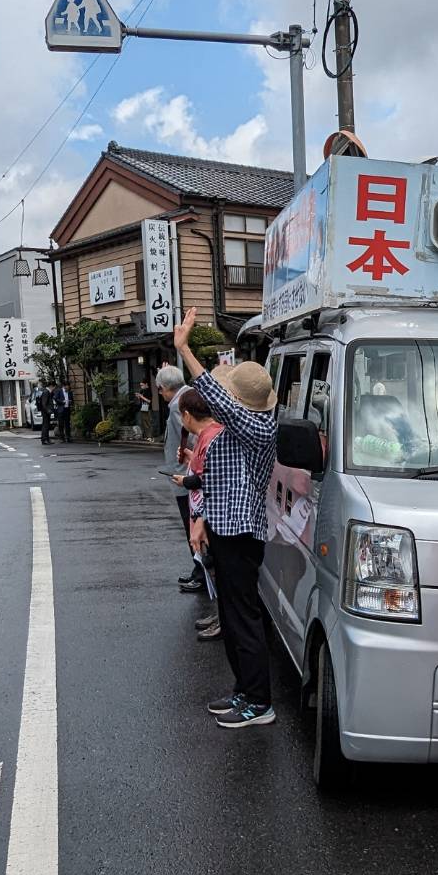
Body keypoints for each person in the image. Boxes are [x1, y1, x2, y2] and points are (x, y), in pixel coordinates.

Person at [173, 306, 278, 729]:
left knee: (244, 617)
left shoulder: (256, 425)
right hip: (224, 528)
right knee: (234, 618)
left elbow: (213, 395)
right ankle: (243, 691)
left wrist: (185, 349)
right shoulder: (241, 427)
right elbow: (216, 478)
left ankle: (259, 702)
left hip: (241, 534)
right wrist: (200, 521)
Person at [172, 386, 224, 640]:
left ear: (188, 414)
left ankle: (223, 620)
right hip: (204, 511)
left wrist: (186, 481)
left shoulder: (212, 435)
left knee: (217, 567)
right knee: (212, 567)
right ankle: (220, 616)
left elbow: (207, 478)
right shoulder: (207, 435)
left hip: (211, 513)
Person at [155, 365, 199, 591]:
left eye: (160, 390)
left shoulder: (177, 407)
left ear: (164, 388)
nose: (160, 394)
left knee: (191, 523)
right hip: (189, 471)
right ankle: (199, 570)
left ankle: (200, 573)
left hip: (186, 473)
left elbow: (190, 435)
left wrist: (187, 460)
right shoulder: (189, 394)